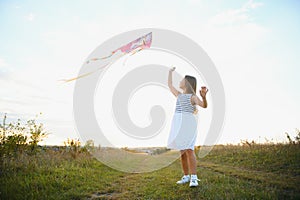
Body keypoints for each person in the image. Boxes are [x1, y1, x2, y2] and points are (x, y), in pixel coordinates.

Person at [167, 67, 208, 187]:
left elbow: (204, 105)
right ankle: (186, 176)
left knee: (189, 149)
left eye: (182, 79)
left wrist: (204, 97)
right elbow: (169, 85)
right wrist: (170, 72)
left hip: (188, 125)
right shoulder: (179, 95)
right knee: (182, 152)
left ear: (187, 83)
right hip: (178, 125)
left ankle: (194, 178)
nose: (180, 81)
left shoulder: (193, 97)